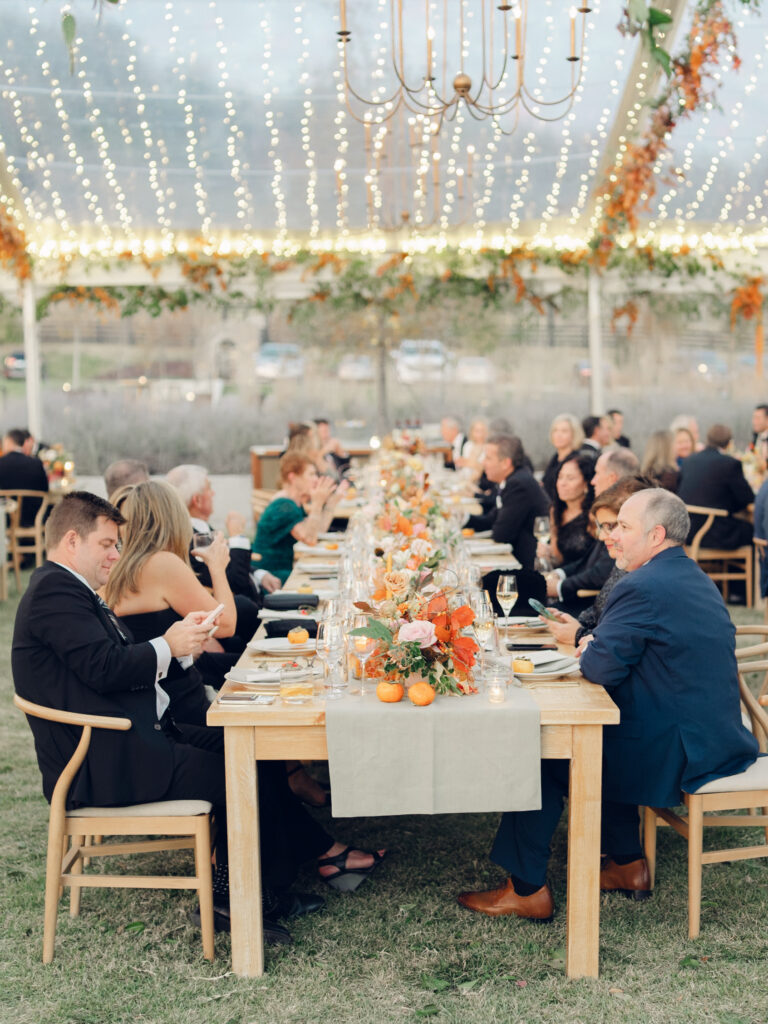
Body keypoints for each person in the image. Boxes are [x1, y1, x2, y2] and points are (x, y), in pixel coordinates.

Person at [458, 489, 759, 920]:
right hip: (713, 737)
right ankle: (626, 864)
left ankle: (526, 889)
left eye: (623, 527)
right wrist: (593, 640)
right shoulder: (692, 576)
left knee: (543, 752)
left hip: (678, 753)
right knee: (605, 733)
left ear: (656, 535)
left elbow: (599, 668)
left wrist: (591, 644)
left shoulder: (641, 586)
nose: (612, 536)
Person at [11, 491, 290, 943]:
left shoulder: (71, 590)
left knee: (249, 749)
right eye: (106, 544)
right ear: (70, 541)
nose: (116, 554)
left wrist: (181, 653)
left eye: (116, 544)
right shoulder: (54, 592)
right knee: (239, 770)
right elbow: (104, 669)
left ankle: (268, 884)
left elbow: (111, 661)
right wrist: (168, 645)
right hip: (103, 763)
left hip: (134, 740)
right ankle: (234, 901)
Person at [104, 480, 238, 727]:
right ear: (174, 518)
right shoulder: (161, 563)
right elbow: (227, 624)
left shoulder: (117, 567)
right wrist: (217, 567)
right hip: (178, 709)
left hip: (149, 706)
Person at [544, 476, 655, 646]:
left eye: (610, 526)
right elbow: (599, 612)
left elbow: (620, 645)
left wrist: (578, 634)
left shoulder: (646, 577)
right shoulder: (625, 562)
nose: (603, 536)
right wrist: (574, 623)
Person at [543, 447, 639, 607]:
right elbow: (588, 559)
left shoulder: (621, 514)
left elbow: (602, 572)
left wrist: (559, 587)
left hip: (589, 601)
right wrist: (559, 574)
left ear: (612, 478)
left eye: (597, 473)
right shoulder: (606, 511)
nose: (592, 480)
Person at [252, 452, 348, 584]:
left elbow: (317, 531)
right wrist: (317, 503)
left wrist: (331, 503)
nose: (316, 479)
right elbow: (310, 539)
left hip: (284, 571)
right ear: (293, 477)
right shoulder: (284, 505)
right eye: (311, 474)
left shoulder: (293, 502)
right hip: (270, 577)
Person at [465, 434, 549, 570]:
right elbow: (490, 520)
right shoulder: (512, 479)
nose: (483, 462)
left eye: (488, 458)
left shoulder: (518, 484)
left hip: (528, 566)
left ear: (505, 463)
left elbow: (501, 534)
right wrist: (462, 517)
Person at [677, 423, 754, 550]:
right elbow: (747, 498)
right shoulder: (730, 464)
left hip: (687, 531)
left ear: (707, 439)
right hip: (714, 534)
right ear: (729, 443)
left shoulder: (689, 461)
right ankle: (741, 570)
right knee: (750, 529)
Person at [540, 453, 595, 568]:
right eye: (560, 477)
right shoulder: (556, 510)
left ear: (586, 484)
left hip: (582, 580)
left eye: (570, 478)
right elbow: (558, 558)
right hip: (559, 576)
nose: (562, 483)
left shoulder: (593, 514)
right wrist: (547, 554)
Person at [0, 428, 49, 526]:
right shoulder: (37, 464)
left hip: (7, 519)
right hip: (34, 517)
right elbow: (45, 490)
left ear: (8, 441)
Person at [540, 414, 583, 501]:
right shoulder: (554, 458)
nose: (558, 435)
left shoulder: (577, 460)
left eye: (564, 431)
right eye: (555, 430)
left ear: (574, 434)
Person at [455, 416, 489, 481]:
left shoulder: (488, 448)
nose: (480, 434)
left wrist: (471, 463)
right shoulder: (468, 445)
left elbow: (483, 470)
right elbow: (464, 467)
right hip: (465, 478)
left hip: (481, 482)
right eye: (477, 431)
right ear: (472, 432)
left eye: (482, 431)